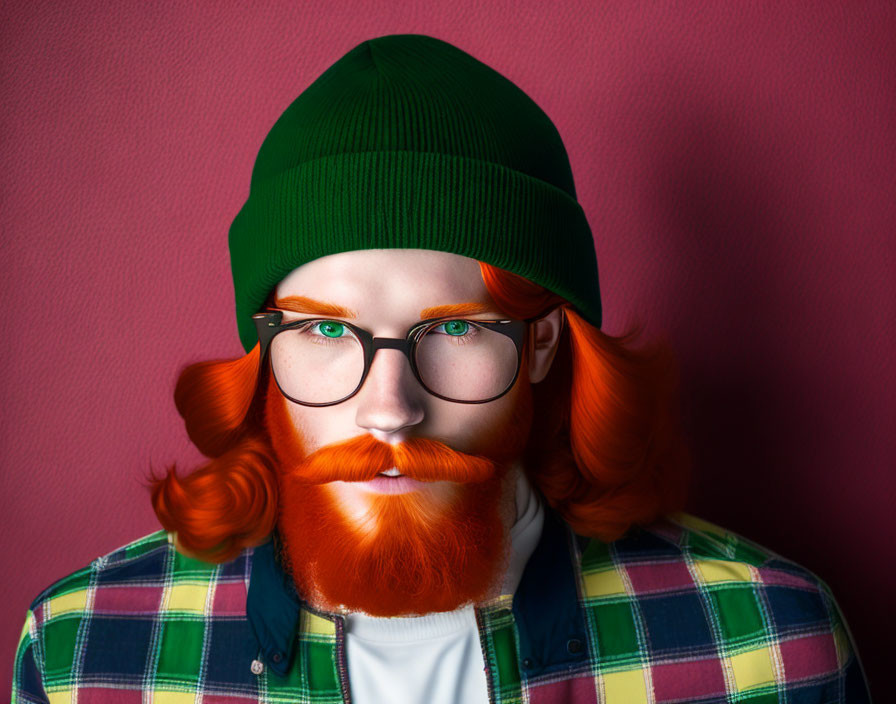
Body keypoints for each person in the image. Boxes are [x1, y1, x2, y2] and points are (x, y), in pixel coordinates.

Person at [12, 33, 871, 704]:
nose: (390, 409)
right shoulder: (82, 656)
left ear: (540, 344)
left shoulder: (769, 649)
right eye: (324, 333)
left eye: (455, 334)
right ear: (263, 353)